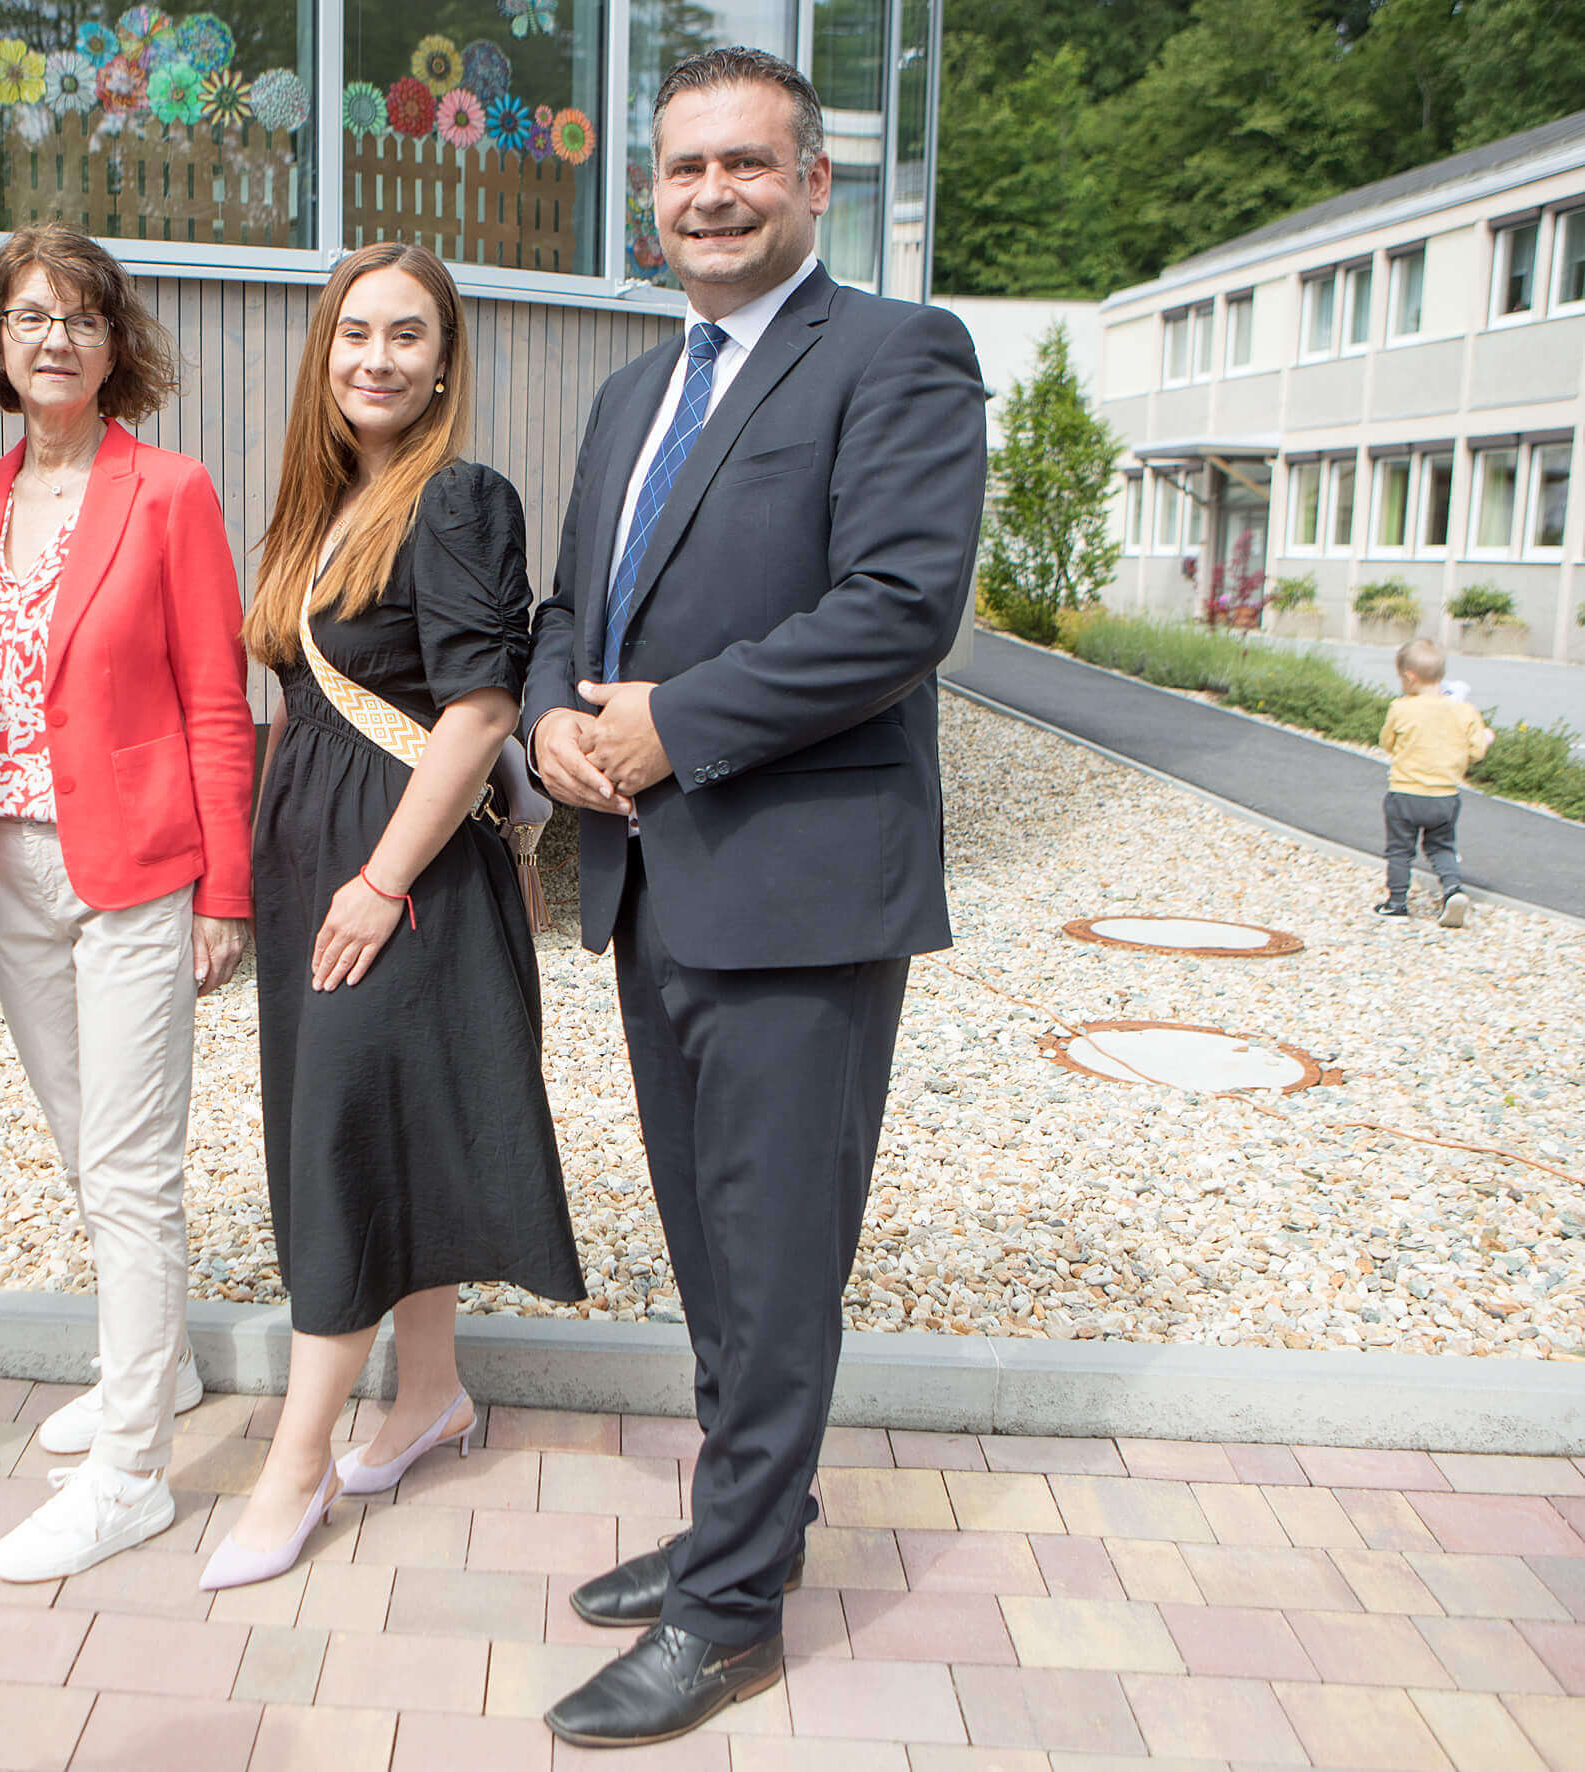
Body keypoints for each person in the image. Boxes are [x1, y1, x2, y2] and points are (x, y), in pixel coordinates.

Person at [524, 49, 988, 1747]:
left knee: (776, 1265)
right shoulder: (628, 393)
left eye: (740, 164)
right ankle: (746, 1523)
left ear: (810, 183)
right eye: (678, 171)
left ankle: (728, 1613)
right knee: (712, 1253)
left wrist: (666, 728)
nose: (705, 193)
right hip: (652, 887)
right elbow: (571, 610)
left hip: (799, 894)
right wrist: (551, 733)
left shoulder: (895, 355)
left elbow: (896, 608)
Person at [199, 242, 585, 1591]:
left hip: (395, 880)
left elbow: (478, 712)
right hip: (326, 865)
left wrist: (376, 880)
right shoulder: (327, 505)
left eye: (405, 336)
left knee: (342, 1150)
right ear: (325, 352)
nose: (376, 357)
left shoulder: (460, 499)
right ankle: (429, 1394)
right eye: (354, 332)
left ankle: (293, 1466)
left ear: (443, 361)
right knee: (372, 1130)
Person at [0, 224, 256, 1581]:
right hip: (5, 862)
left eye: (78, 317)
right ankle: (163, 1366)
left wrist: (224, 890)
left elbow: (214, 702)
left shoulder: (169, 492)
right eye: (26, 317)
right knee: (84, 1146)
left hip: (136, 868)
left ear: (115, 345)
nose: (51, 338)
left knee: (131, 1172)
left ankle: (131, 1473)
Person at [1377, 637, 1492, 926]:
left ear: (1409, 677)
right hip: (1444, 798)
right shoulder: (1465, 711)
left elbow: (1387, 743)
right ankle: (1453, 890)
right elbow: (1476, 751)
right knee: (1441, 847)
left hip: (1405, 795)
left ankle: (1397, 903)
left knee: (1400, 850)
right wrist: (1487, 737)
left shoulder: (1401, 708)